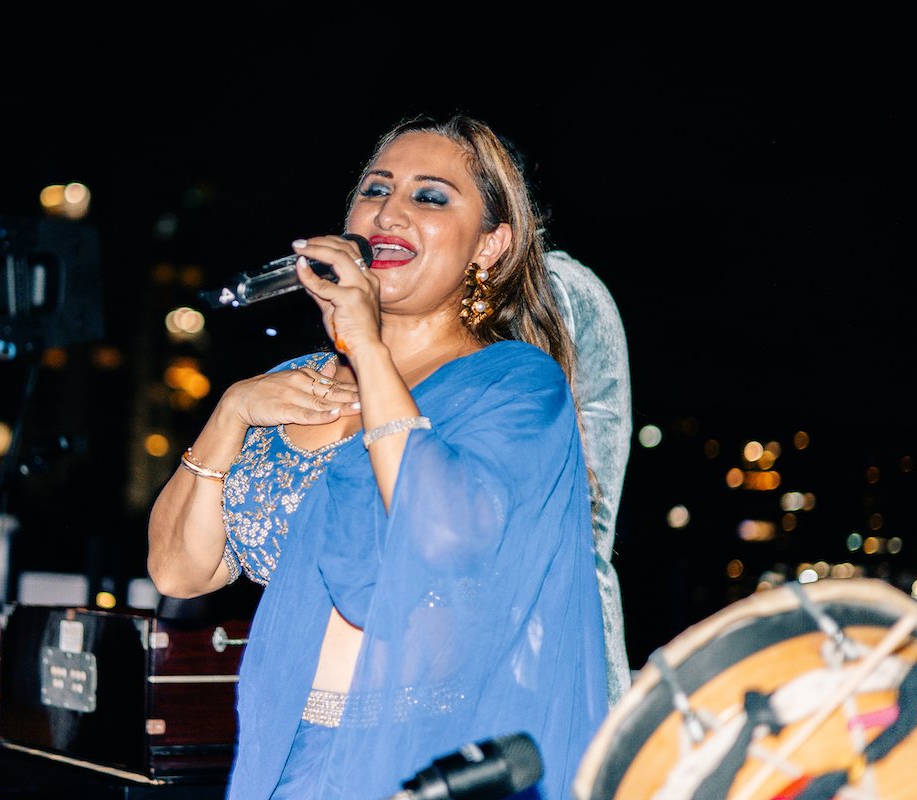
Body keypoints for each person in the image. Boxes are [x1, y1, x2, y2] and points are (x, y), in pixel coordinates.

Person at [147, 114, 610, 799]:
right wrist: (231, 412)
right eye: (375, 190)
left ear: (492, 245)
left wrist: (368, 348)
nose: (390, 210)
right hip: (291, 757)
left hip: (427, 760)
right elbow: (180, 571)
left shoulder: (514, 382)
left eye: (430, 196)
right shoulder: (295, 384)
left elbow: (444, 536)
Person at [544, 250, 633, 708]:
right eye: (375, 189)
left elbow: (582, 537)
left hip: (549, 655)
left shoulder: (555, 286)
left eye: (431, 198)